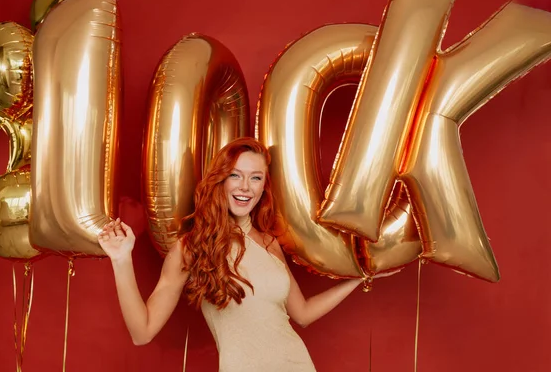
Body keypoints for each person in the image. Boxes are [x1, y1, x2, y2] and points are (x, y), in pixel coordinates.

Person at [99, 137, 396, 371]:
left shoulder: (270, 243)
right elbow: (143, 332)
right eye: (236, 176)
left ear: (264, 185)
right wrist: (121, 259)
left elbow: (302, 314)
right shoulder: (192, 248)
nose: (245, 187)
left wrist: (360, 277)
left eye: (255, 178)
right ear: (220, 180)